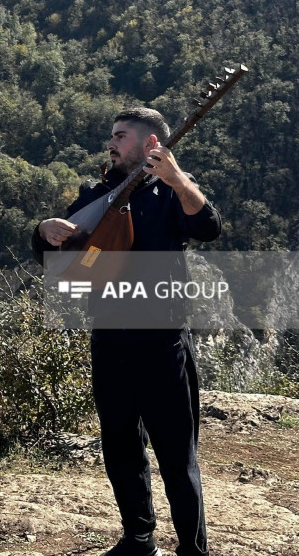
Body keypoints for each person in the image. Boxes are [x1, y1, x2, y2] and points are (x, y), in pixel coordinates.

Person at [33, 108, 221, 556]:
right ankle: (139, 541)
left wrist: (177, 179)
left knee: (177, 455)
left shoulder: (172, 190)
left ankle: (194, 551)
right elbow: (64, 259)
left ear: (150, 143)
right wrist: (43, 231)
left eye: (120, 136)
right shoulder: (94, 193)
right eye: (111, 136)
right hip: (110, 338)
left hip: (162, 342)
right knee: (120, 445)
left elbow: (209, 227)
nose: (111, 143)